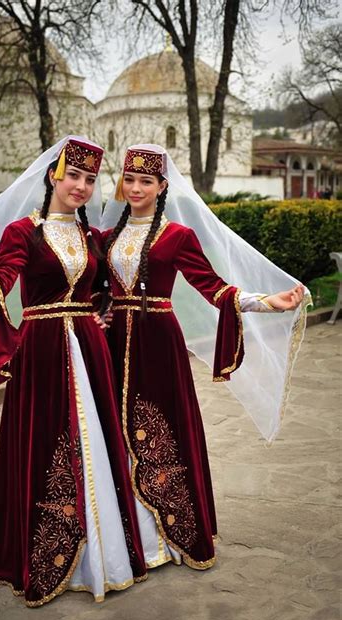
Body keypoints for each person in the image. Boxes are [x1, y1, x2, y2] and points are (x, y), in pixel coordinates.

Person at [0, 136, 147, 607]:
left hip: (89, 349)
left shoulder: (90, 237)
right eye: (74, 175)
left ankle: (105, 556)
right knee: (47, 444)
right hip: (44, 353)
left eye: (90, 179)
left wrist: (100, 312)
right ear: (53, 175)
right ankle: (46, 555)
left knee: (98, 446)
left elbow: (103, 285)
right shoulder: (21, 232)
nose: (82, 186)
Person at [100, 144, 309, 570]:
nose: (136, 187)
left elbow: (214, 288)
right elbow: (90, 291)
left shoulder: (178, 237)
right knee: (112, 432)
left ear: (162, 187)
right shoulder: (105, 238)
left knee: (163, 430)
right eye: (130, 179)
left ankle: (170, 535)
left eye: (146, 181)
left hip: (158, 342)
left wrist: (269, 302)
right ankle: (126, 538)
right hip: (111, 343)